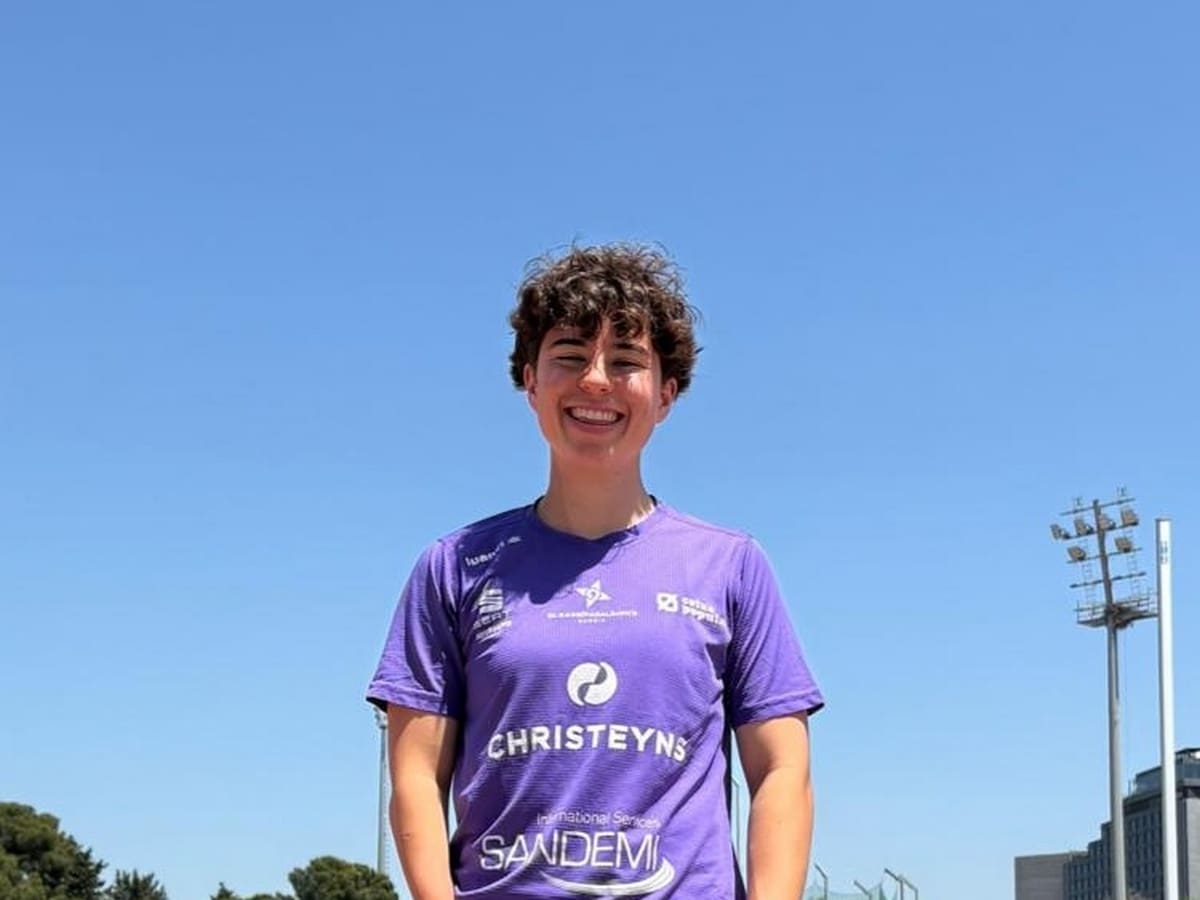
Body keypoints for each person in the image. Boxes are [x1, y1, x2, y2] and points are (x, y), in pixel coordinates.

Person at [367, 244, 823, 899]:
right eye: (571, 355)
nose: (596, 380)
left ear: (666, 394)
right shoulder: (454, 566)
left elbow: (781, 769)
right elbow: (415, 775)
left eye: (627, 360)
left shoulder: (731, 566)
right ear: (530, 380)